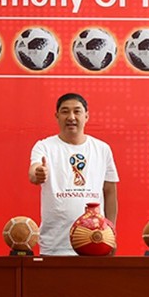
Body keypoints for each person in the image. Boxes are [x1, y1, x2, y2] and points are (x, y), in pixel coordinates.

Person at [28, 93, 118, 255]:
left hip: (95, 241)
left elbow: (110, 192)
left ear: (86, 116)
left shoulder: (102, 149)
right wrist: (38, 173)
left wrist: (111, 233)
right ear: (57, 116)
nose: (71, 117)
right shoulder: (44, 147)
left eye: (77, 111)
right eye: (65, 111)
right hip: (55, 245)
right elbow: (34, 173)